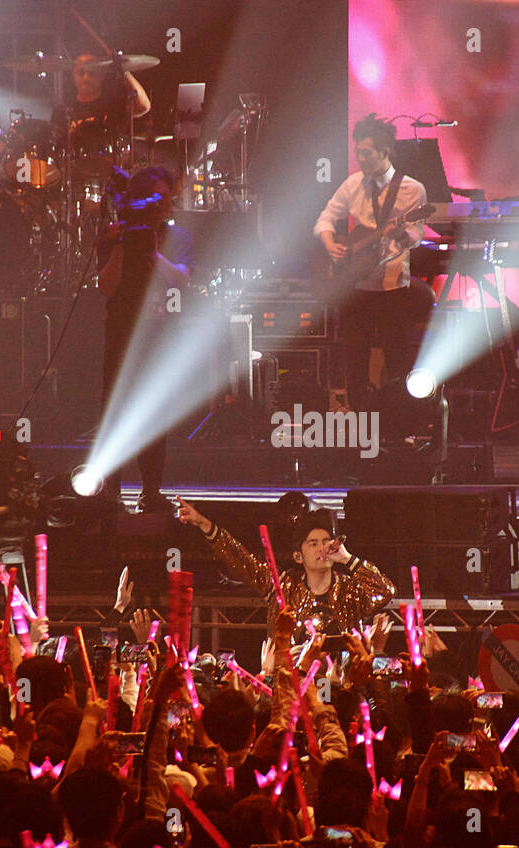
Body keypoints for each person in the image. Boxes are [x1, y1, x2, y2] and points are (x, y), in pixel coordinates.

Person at [314, 114, 434, 412]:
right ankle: (360, 422)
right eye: (358, 151)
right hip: (355, 284)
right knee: (355, 358)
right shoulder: (353, 184)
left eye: (366, 152)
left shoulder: (412, 190)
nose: (360, 158)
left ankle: (400, 421)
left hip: (392, 285)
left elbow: (416, 237)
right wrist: (331, 245)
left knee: (396, 357)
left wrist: (402, 233)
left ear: (385, 151)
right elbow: (325, 219)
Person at [97, 166, 194, 513]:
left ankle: (151, 489)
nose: (164, 205)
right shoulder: (114, 236)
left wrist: (153, 252)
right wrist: (124, 244)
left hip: (157, 335)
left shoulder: (178, 237)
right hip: (121, 333)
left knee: (153, 413)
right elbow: (106, 286)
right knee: (116, 409)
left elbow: (181, 280)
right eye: (157, 199)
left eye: (167, 199)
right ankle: (111, 490)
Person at [175, 497, 396, 647]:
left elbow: (386, 591)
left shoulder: (349, 588)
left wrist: (348, 559)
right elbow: (240, 560)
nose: (321, 548)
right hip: (292, 689)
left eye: (326, 541)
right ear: (298, 556)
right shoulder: (283, 586)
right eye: (313, 543)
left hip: (342, 690)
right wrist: (203, 524)